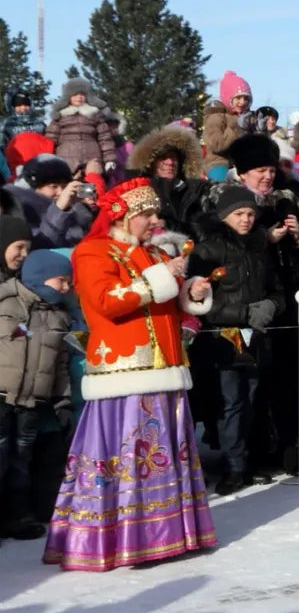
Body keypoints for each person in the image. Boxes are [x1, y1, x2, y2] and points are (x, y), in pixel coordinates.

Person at [43, 178, 218, 570]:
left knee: (161, 451)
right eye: (147, 215)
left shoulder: (154, 252)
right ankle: (126, 536)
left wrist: (191, 289)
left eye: (155, 213)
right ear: (123, 214)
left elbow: (168, 306)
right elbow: (105, 302)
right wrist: (161, 279)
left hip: (165, 367)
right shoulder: (91, 252)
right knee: (128, 452)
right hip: (124, 368)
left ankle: (167, 533)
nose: (156, 221)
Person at [187, 184, 284, 495]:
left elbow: (277, 290)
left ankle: (248, 463)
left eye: (251, 214)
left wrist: (270, 306)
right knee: (230, 403)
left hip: (256, 336)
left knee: (254, 401)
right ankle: (233, 467)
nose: (246, 220)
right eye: (239, 214)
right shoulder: (207, 250)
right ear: (225, 216)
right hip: (223, 339)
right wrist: (243, 311)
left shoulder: (259, 249)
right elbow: (203, 302)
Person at [0, 242, 70, 539]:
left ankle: (18, 516)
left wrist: (62, 400)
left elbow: (61, 364)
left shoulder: (59, 317)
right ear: (41, 277)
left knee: (20, 460)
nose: (66, 288)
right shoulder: (6, 303)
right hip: (1, 396)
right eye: (61, 280)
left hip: (32, 402)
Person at [129, 126, 207, 235]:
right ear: (151, 163)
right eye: (163, 157)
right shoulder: (137, 190)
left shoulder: (192, 191)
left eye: (173, 157)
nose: (170, 162)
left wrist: (170, 224)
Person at [11, 155, 94, 249]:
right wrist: (59, 209)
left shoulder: (71, 204)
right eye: (53, 186)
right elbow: (43, 246)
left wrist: (85, 206)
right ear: (32, 187)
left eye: (64, 186)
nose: (61, 192)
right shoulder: (21, 213)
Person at [48, 76, 116, 179]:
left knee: (91, 190)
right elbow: (51, 140)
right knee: (71, 189)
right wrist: (49, 160)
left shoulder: (95, 114)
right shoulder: (59, 116)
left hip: (92, 159)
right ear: (68, 97)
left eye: (82, 94)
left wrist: (109, 159)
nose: (79, 97)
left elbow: (105, 138)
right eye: (75, 94)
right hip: (67, 161)